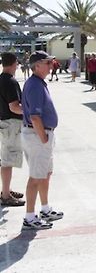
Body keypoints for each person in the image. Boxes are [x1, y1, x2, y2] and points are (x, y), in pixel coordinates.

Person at [21, 51, 63, 230]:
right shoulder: (35, 86)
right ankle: (29, 217)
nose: (50, 65)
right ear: (37, 65)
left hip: (41, 135)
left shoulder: (38, 83)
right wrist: (44, 138)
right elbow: (35, 116)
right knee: (36, 177)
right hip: (38, 135)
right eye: (47, 62)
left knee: (45, 173)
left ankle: (45, 209)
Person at [0, 52, 25, 207]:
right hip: (11, 124)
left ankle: (5, 190)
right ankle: (6, 196)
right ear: (14, 63)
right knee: (8, 160)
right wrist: (30, 111)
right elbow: (14, 107)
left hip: (3, 123)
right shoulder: (10, 82)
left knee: (4, 158)